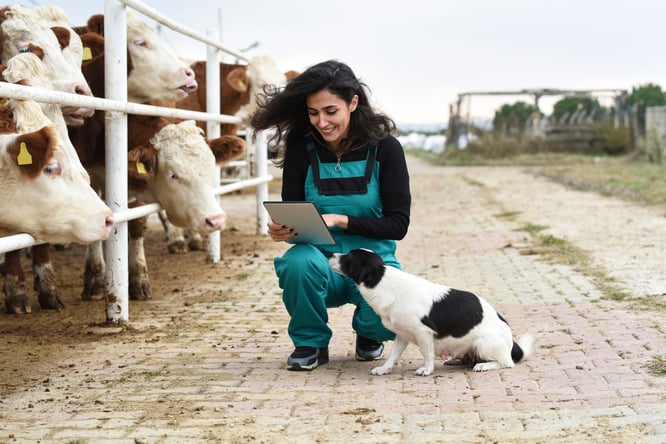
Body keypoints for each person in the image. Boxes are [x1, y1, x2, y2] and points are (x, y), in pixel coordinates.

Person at [249, 60, 411, 371]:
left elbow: (398, 224)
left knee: (383, 321)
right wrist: (282, 230)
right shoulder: (300, 150)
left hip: (372, 264)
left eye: (330, 111)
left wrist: (339, 220)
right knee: (297, 261)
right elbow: (295, 213)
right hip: (321, 264)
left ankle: (368, 333)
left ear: (353, 103)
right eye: (313, 113)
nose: (321, 122)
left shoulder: (387, 150)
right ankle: (310, 342)